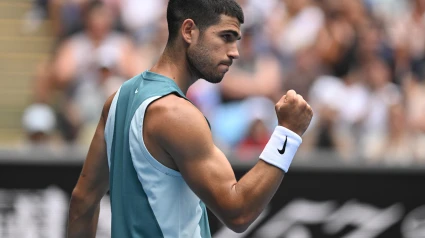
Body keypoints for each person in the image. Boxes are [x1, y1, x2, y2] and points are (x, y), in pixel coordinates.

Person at [67, 0, 313, 237]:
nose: (235, 52)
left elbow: (82, 202)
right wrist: (288, 133)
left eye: (236, 40)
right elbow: (239, 212)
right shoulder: (176, 114)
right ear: (188, 31)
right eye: (226, 37)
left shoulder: (116, 101)